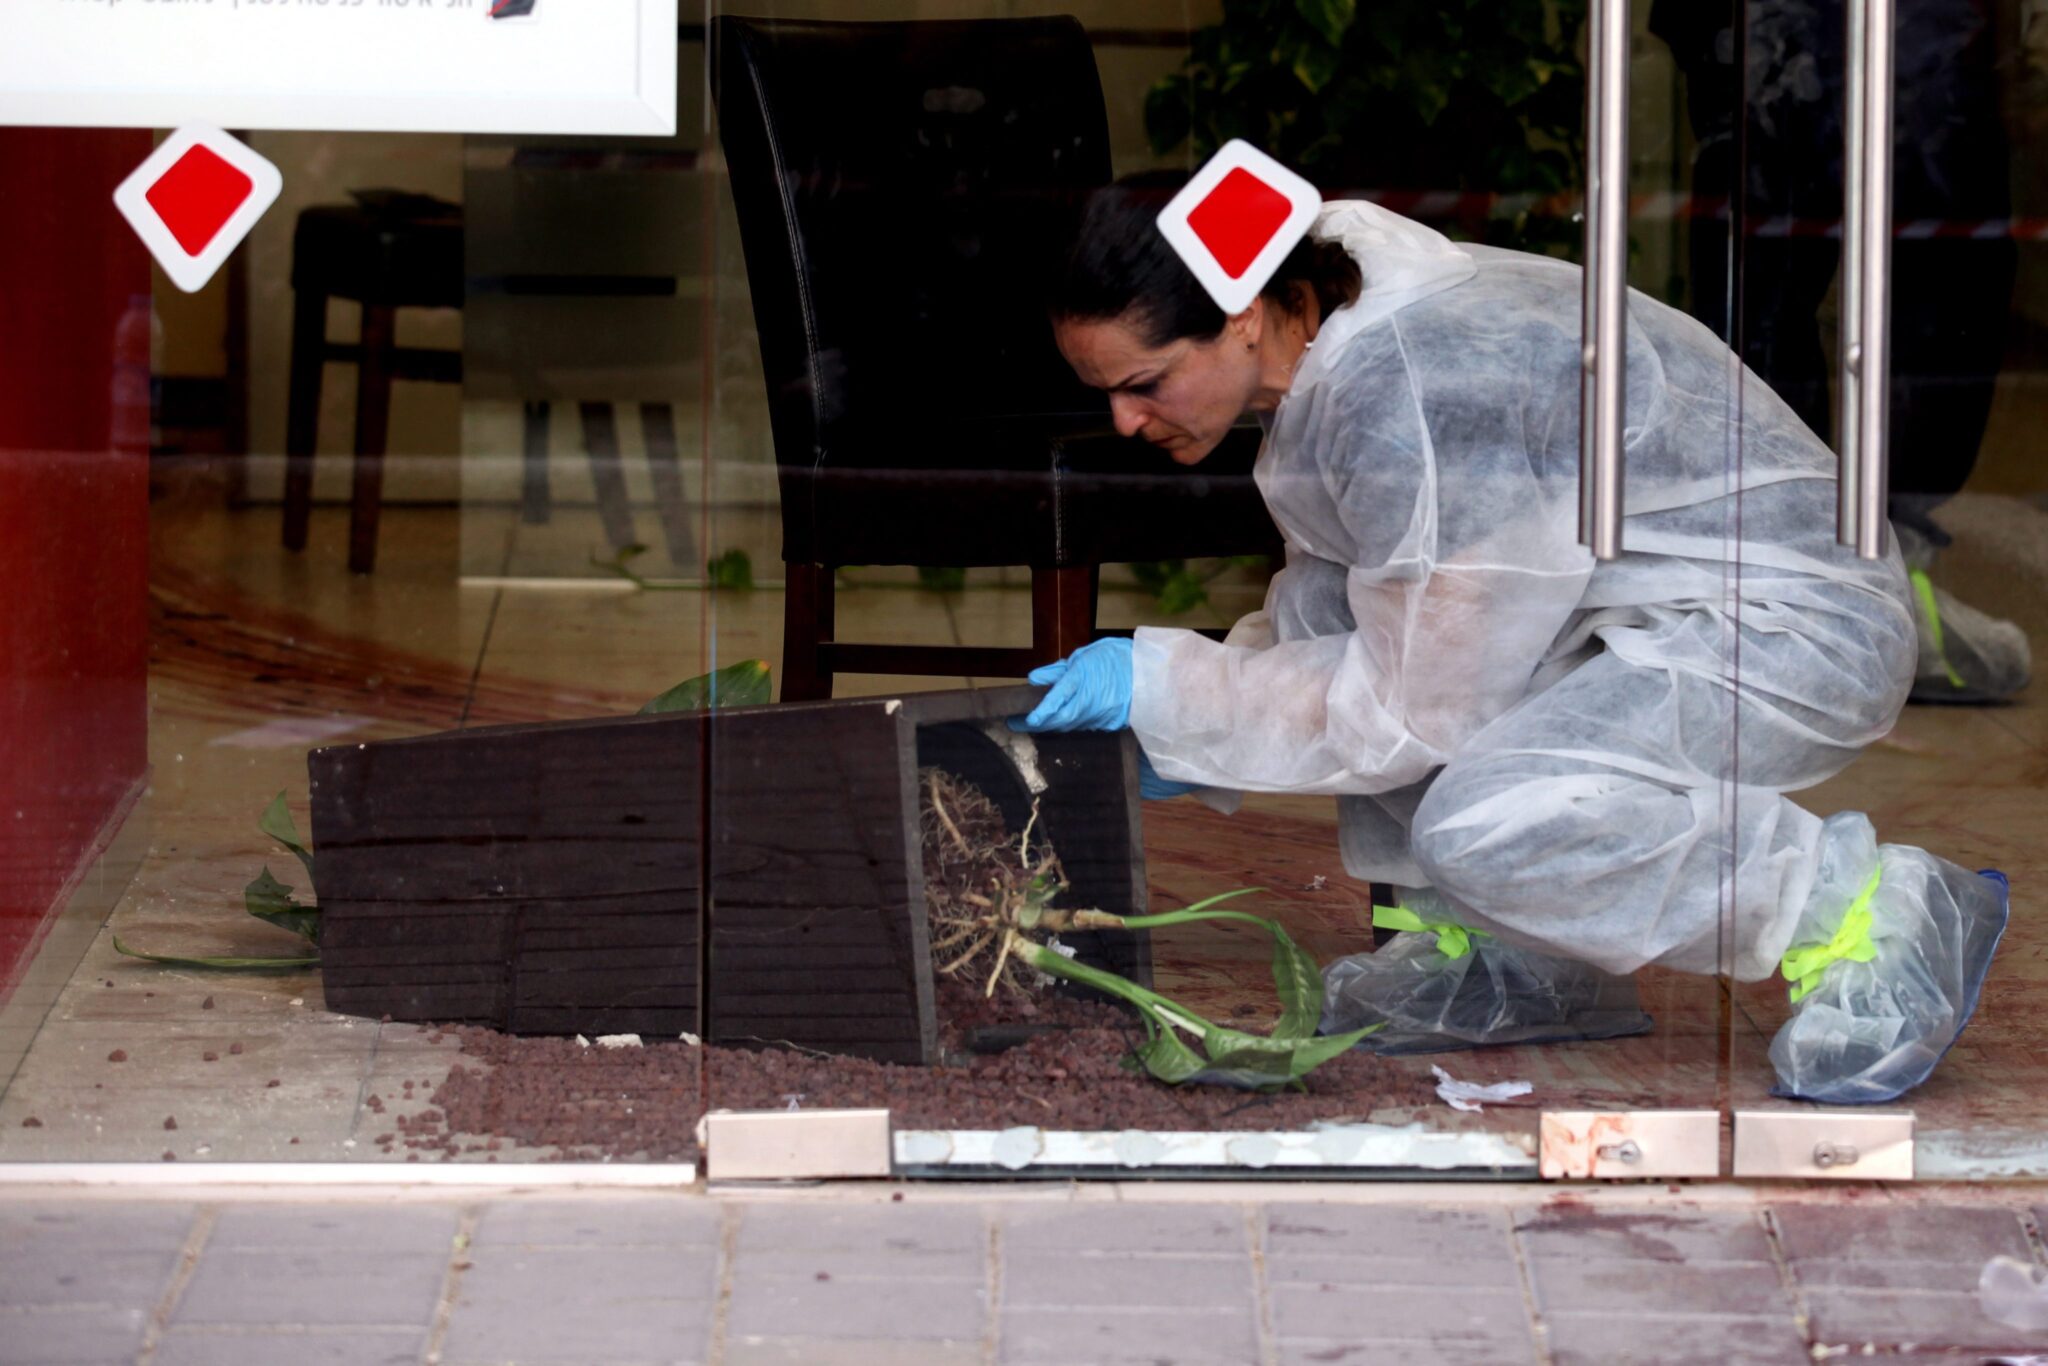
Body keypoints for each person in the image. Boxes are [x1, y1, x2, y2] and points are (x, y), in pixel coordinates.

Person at [1011, 182, 2010, 1104]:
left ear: (1238, 315)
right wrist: (1185, 720)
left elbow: (1414, 701)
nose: (1124, 419)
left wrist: (1176, 693)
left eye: (1144, 382)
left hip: (1780, 627)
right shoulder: (1332, 358)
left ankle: (1872, 909)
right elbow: (1359, 620)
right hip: (1639, 615)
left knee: (1490, 818)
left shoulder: (1408, 386)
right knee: (1349, 640)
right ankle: (1512, 956)